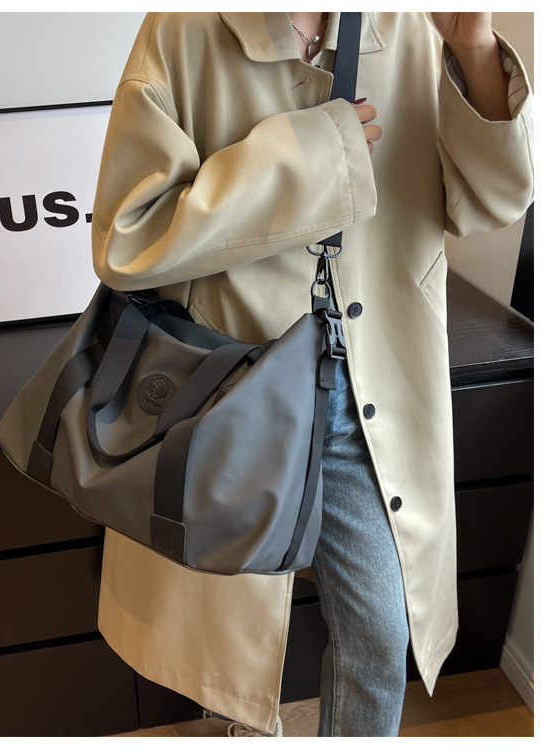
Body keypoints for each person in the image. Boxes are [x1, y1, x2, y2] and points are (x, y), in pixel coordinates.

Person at [90, 13, 533, 737]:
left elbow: (493, 201)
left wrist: (475, 50)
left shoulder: (412, 25)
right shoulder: (184, 29)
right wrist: (308, 154)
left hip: (369, 391)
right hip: (233, 397)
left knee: (381, 637)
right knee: (229, 645)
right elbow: (127, 237)